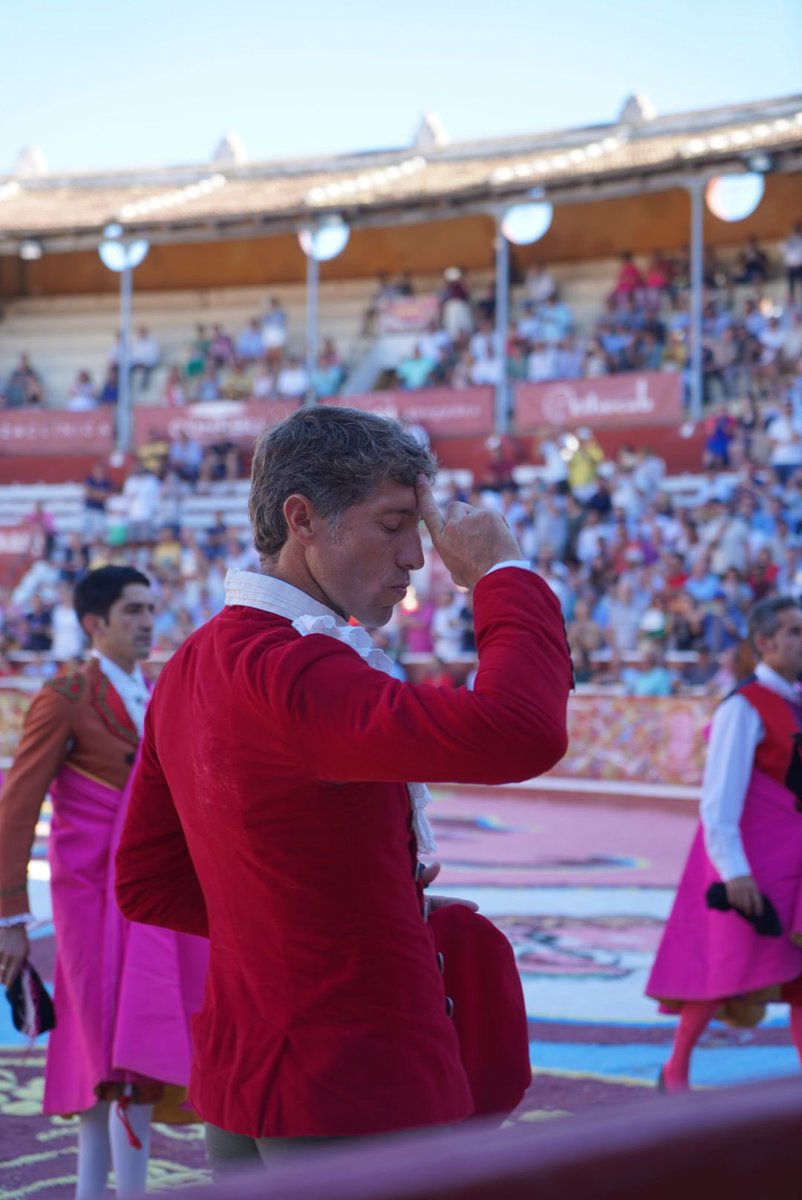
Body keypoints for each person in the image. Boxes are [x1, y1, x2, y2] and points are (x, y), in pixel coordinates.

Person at [115, 406, 572, 1171]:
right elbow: (521, 729)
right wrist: (502, 573)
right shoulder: (295, 669)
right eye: (395, 524)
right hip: (356, 1066)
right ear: (303, 519)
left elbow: (145, 881)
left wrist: (300, 920)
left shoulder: (193, 660)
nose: (417, 559)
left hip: (247, 1062)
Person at [0, 566, 208, 1199]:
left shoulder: (157, 688)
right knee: (110, 1044)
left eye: (152, 609)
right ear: (95, 624)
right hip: (93, 901)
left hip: (154, 896)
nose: (149, 623)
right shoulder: (66, 695)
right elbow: (17, 805)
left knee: (124, 1045)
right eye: (133, 612)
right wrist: (10, 917)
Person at [647, 596, 802, 1092]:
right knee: (724, 972)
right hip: (751, 867)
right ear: (765, 643)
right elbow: (719, 799)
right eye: (795, 632)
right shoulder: (743, 706)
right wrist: (734, 871)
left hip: (792, 866)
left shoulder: (792, 703)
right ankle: (675, 1071)